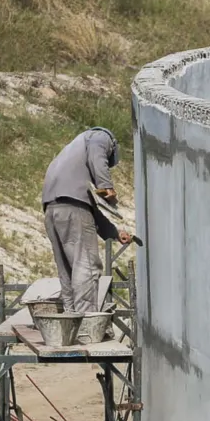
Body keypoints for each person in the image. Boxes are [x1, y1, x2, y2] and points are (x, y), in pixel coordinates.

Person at [41, 127, 132, 315]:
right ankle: (86, 323)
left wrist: (114, 233)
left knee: (67, 270)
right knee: (87, 266)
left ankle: (70, 319)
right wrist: (106, 186)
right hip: (72, 209)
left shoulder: (70, 156)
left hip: (52, 209)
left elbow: (88, 211)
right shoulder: (101, 137)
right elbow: (98, 155)